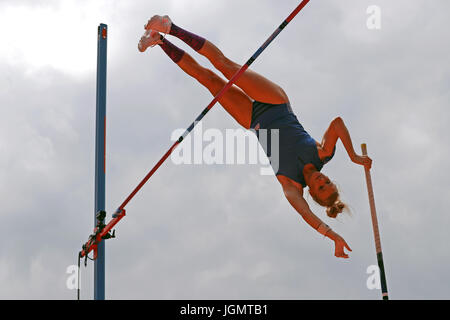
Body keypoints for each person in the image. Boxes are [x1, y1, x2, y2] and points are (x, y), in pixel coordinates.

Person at [138, 15, 372, 259]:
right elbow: (337, 123)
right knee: (225, 66)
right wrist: (354, 156)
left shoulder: (291, 186)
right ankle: (170, 27)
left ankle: (159, 41)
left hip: (253, 121)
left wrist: (332, 236)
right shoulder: (323, 153)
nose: (322, 180)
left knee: (207, 79)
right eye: (328, 182)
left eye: (320, 187)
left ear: (312, 192)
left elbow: (306, 215)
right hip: (275, 102)